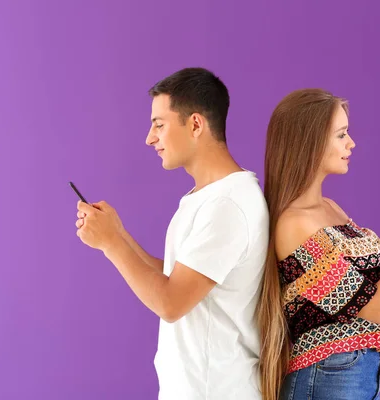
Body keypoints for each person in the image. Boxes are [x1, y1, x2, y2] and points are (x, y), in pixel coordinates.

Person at [75, 67, 269, 400]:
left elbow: (170, 302)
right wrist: (119, 234)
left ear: (195, 124)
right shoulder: (208, 197)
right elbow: (175, 278)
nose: (150, 138)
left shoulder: (229, 204)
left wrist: (110, 244)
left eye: (159, 125)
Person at [256, 89, 380, 400]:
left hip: (356, 372)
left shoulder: (331, 209)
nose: (351, 143)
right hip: (327, 377)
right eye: (341, 135)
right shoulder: (294, 224)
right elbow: (376, 309)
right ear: (309, 142)